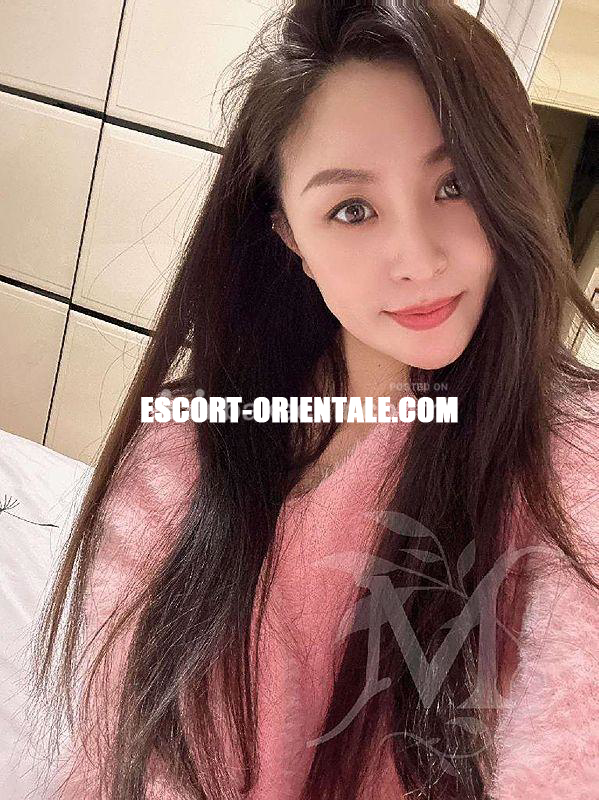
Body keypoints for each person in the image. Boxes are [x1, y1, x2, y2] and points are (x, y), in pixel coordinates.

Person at [31, 1, 599, 799]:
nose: (417, 259)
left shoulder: (569, 462)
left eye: (455, 185)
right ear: (290, 235)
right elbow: (117, 754)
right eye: (352, 209)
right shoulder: (186, 446)